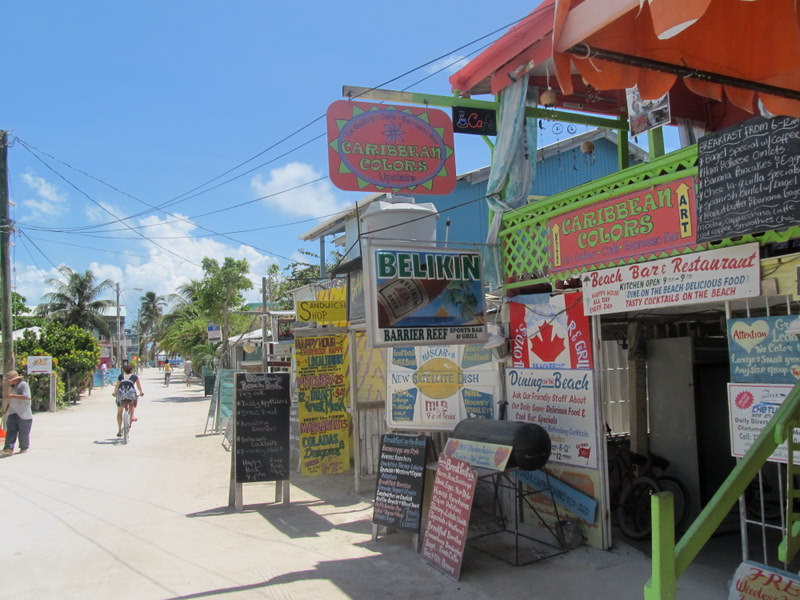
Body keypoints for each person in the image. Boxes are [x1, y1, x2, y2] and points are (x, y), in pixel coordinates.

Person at [2, 370, 33, 456]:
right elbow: (11, 400)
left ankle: (24, 447)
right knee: (11, 431)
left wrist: (12, 396)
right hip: (13, 412)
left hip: (23, 413)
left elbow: (27, 397)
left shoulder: (23, 385)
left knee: (23, 432)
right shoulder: (13, 387)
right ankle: (8, 448)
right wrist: (6, 409)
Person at [113, 363, 143, 437]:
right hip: (130, 395)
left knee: (119, 412)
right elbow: (139, 386)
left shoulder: (120, 376)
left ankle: (119, 430)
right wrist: (141, 392)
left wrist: (114, 393)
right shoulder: (134, 377)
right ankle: (132, 416)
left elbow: (117, 386)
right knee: (132, 404)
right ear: (132, 370)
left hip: (121, 395)